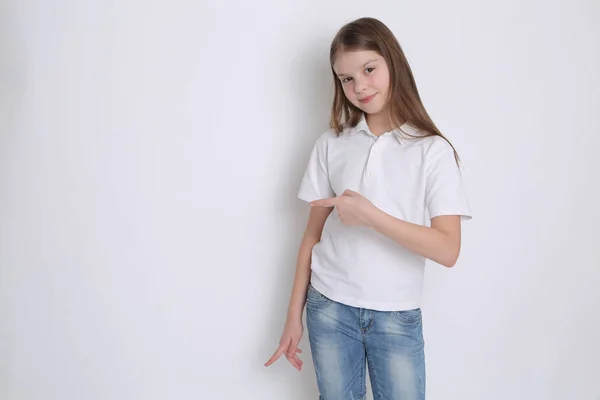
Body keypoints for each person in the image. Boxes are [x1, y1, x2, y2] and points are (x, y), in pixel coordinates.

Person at [265, 16, 472, 400]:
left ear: (393, 62)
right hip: (328, 309)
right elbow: (311, 236)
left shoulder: (432, 151)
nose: (359, 86)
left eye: (369, 69)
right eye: (346, 78)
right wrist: (293, 317)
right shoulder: (332, 143)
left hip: (395, 316)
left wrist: (371, 217)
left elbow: (448, 249)